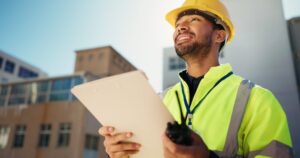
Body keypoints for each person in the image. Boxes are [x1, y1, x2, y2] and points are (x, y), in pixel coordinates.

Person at [99, 0, 294, 157]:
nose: (181, 27)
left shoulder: (257, 100)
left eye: (193, 20)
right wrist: (122, 152)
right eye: (177, 25)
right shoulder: (160, 100)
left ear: (219, 35)